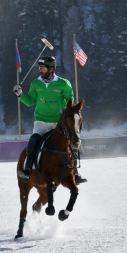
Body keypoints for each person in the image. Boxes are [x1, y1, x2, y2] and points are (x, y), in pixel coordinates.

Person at [13, 56, 86, 184]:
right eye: (39, 68)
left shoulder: (63, 83)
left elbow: (71, 101)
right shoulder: (36, 83)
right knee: (33, 141)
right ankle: (27, 170)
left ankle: (75, 172)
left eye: (43, 68)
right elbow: (30, 101)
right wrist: (20, 95)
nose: (40, 70)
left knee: (71, 142)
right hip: (41, 122)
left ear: (51, 69)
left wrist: (64, 108)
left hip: (58, 122)